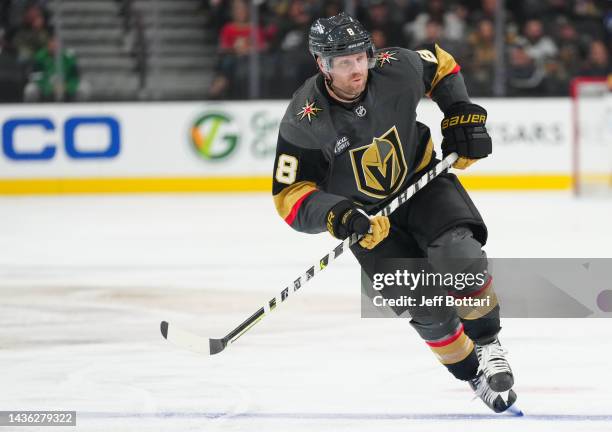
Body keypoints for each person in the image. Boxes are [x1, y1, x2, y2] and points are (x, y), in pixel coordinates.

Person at [271, 12, 517, 413]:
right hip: (369, 222)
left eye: (360, 57)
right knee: (425, 307)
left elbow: (442, 65)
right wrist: (342, 216)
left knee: (460, 256)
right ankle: (472, 374)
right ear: (322, 65)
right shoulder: (304, 119)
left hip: (421, 185)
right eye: (344, 62)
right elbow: (291, 196)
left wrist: (459, 113)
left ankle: (490, 345)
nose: (357, 69)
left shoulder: (395, 67)